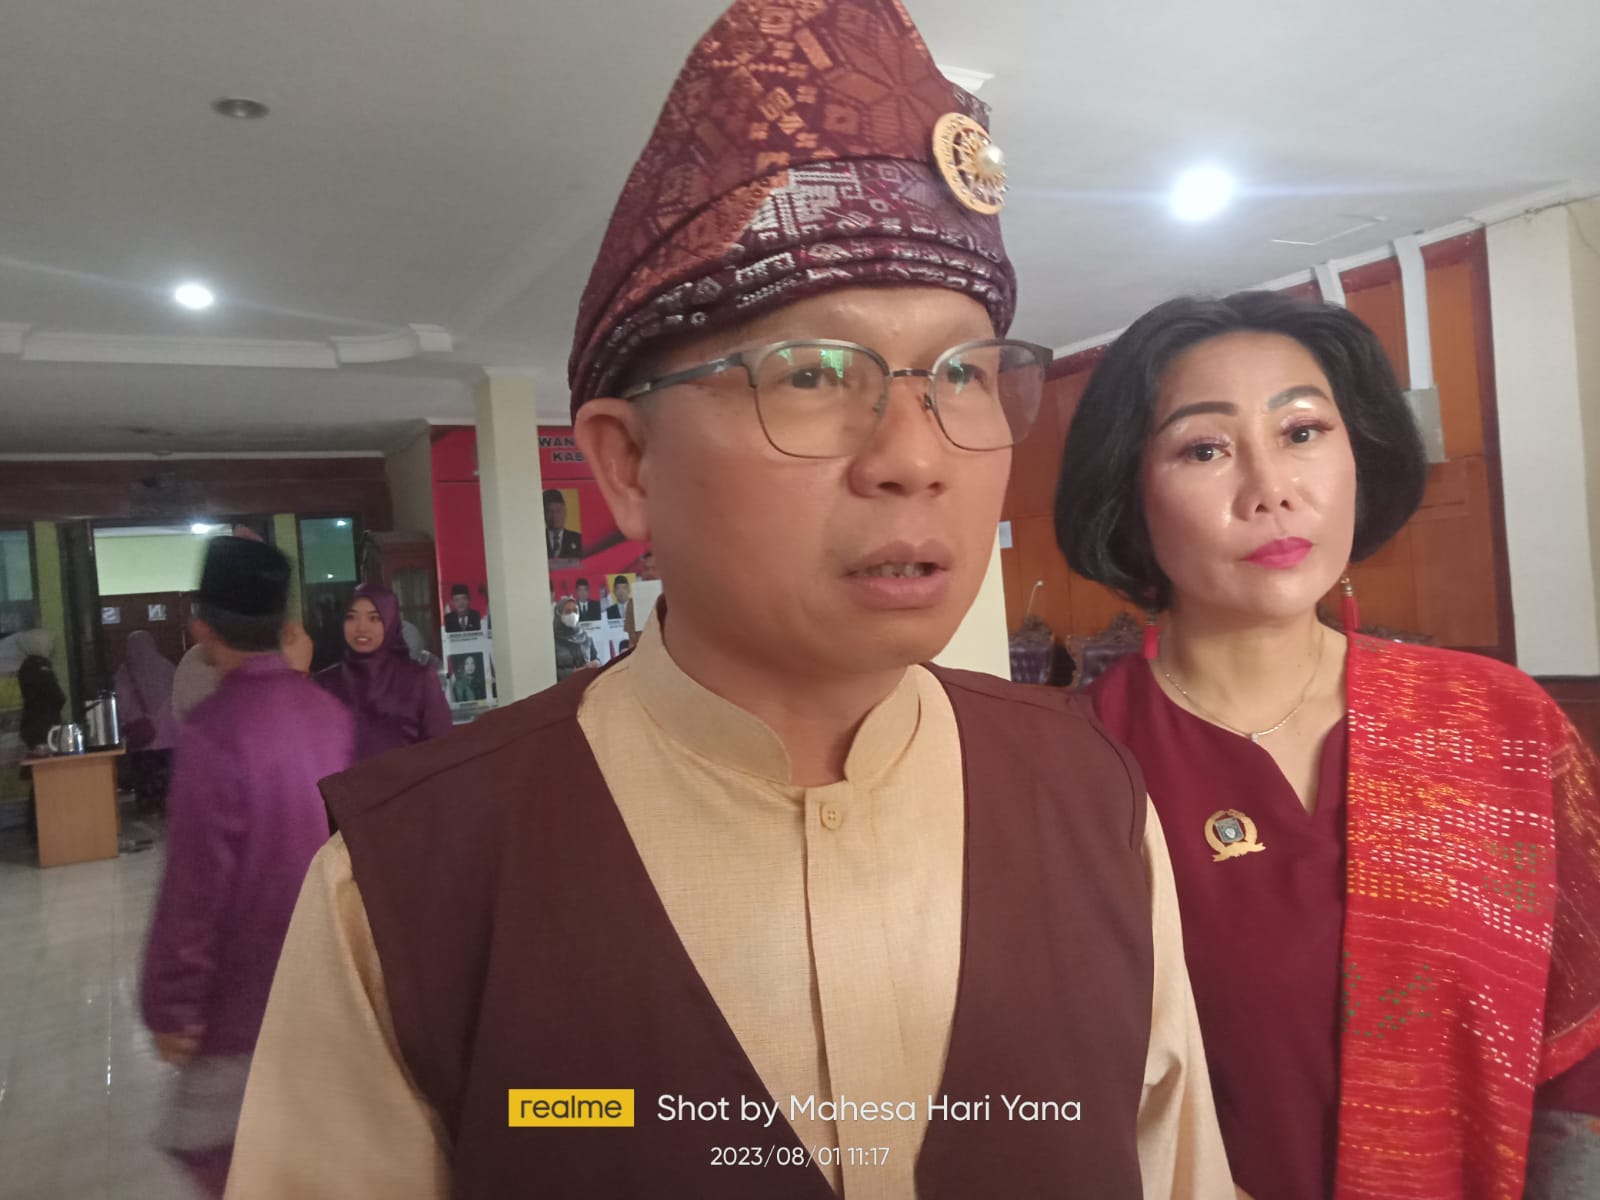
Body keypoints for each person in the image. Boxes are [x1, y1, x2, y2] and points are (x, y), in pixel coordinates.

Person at [227, 3, 1231, 1196]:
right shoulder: (406, 888)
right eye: (810, 373)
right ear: (628, 465)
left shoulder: (1093, 797)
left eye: (961, 374)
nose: (916, 455)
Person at [1053, 289, 1600, 1199]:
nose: (1271, 488)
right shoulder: (1075, 767)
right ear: (1129, 494)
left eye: (1302, 431)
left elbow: (1581, 1050)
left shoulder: (1501, 724)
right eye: (1204, 448)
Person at [140, 537, 354, 1198]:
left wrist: (170, 1002)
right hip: (326, 992)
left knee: (242, 1170)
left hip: (244, 1005)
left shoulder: (214, 733)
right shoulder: (328, 715)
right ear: (284, 623)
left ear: (201, 624)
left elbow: (196, 888)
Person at [314, 584, 452, 763]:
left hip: (408, 780)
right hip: (342, 781)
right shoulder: (325, 683)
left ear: (390, 621)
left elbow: (442, 750)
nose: (361, 628)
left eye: (374, 618)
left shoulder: (419, 679)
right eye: (351, 617)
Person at [114, 630, 181, 809]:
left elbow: (122, 700)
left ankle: (148, 804)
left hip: (142, 732)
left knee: (144, 773)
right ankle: (166, 804)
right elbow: (177, 695)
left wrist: (126, 721)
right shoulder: (166, 666)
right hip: (168, 732)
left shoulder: (125, 671)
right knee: (166, 772)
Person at [551, 596, 599, 681]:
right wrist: (573, 673)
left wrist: (596, 663)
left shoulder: (585, 637)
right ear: (558, 613)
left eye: (575, 611)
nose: (572, 614)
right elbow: (550, 671)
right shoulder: (552, 641)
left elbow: (595, 658)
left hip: (587, 683)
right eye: (568, 611)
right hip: (564, 686)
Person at [543, 488, 583, 561]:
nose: (555, 516)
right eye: (549, 512)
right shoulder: (538, 539)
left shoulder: (578, 539)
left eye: (559, 511)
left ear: (565, 512)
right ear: (543, 514)